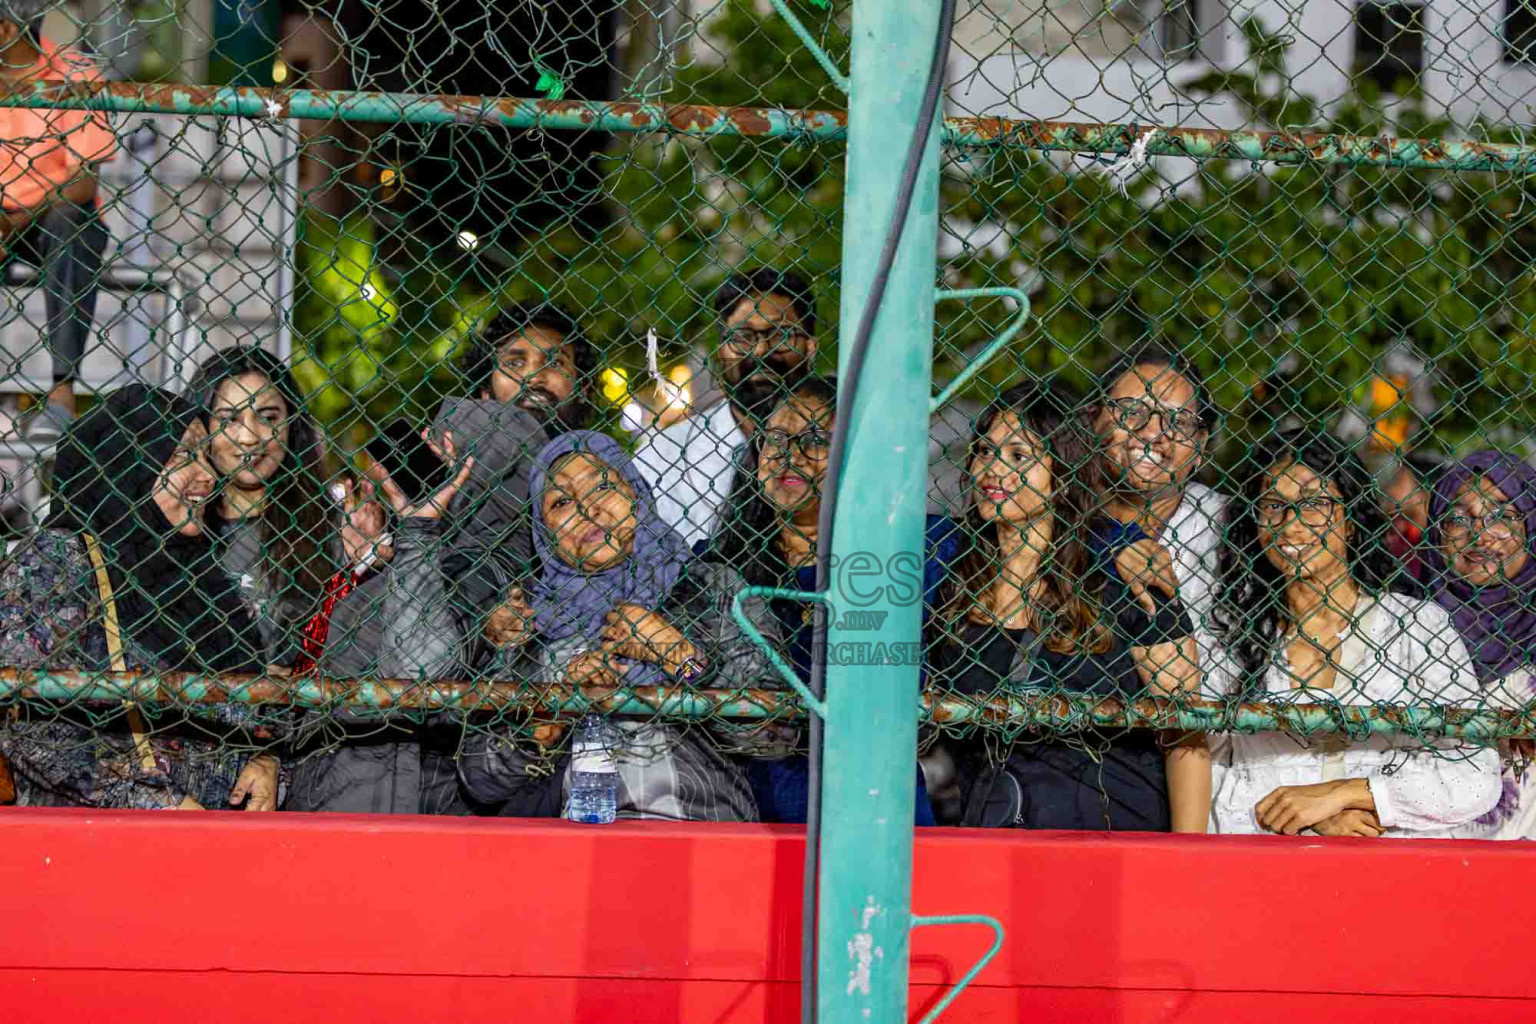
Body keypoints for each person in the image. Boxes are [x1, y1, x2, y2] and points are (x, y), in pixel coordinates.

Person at [932, 381, 1208, 832]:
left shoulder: (1129, 579)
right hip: (995, 835)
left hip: (1114, 834)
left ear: (1063, 471)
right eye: (984, 451)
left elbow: (1185, 734)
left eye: (1019, 456)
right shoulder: (951, 577)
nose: (993, 469)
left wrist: (1188, 856)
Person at [458, 430, 769, 821]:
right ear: (544, 533)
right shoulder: (530, 623)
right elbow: (479, 780)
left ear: (636, 494)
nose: (588, 510)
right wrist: (552, 718)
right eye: (562, 502)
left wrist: (678, 654)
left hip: (701, 837)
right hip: (574, 850)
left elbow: (770, 738)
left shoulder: (712, 586)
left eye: (602, 486)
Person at [1209, 429, 1500, 838]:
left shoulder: (1416, 627)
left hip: (1397, 871)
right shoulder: (1233, 635)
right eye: (1274, 505)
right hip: (1270, 868)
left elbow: (1475, 776)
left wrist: (1348, 794)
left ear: (1350, 521)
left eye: (1315, 503)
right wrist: (1311, 822)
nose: (1292, 525)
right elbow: (1215, 782)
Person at [0, 385, 278, 809]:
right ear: (127, 463)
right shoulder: (57, 562)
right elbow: (31, 729)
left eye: (205, 454)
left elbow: (257, 702)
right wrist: (160, 805)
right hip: (95, 847)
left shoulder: (201, 575)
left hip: (218, 844)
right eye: (184, 455)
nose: (207, 474)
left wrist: (266, 758)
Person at [705, 375, 958, 824]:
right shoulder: (719, 566)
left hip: (876, 798)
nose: (789, 455)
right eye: (775, 439)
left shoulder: (917, 546)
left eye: (816, 440)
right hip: (749, 801)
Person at [284, 397, 545, 815]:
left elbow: (415, 676)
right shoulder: (415, 549)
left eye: (444, 442)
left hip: (397, 814)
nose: (426, 449)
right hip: (337, 798)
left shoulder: (496, 570)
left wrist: (420, 531)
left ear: (492, 465)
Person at [633, 267, 820, 549]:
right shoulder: (660, 456)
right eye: (743, 337)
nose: (761, 351)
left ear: (810, 348)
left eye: (782, 335)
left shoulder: (846, 445)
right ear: (721, 350)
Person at [0, 2, 115, 441]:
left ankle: (61, 394)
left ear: (8, 28)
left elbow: (83, 181)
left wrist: (21, 219)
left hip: (50, 215)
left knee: (73, 223)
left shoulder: (74, 72)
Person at [188, 346, 335, 667]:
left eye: (268, 418)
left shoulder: (332, 526)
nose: (249, 437)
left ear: (292, 425)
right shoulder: (178, 527)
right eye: (229, 419)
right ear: (200, 428)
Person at [1423, 451, 1536, 840]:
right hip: (1423, 853)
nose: (1481, 534)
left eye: (1504, 516)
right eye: (1458, 518)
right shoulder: (1401, 625)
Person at [459, 301, 598, 432]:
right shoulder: (456, 447)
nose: (534, 377)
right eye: (514, 363)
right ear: (486, 391)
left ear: (582, 388)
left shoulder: (592, 450)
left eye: (554, 363)